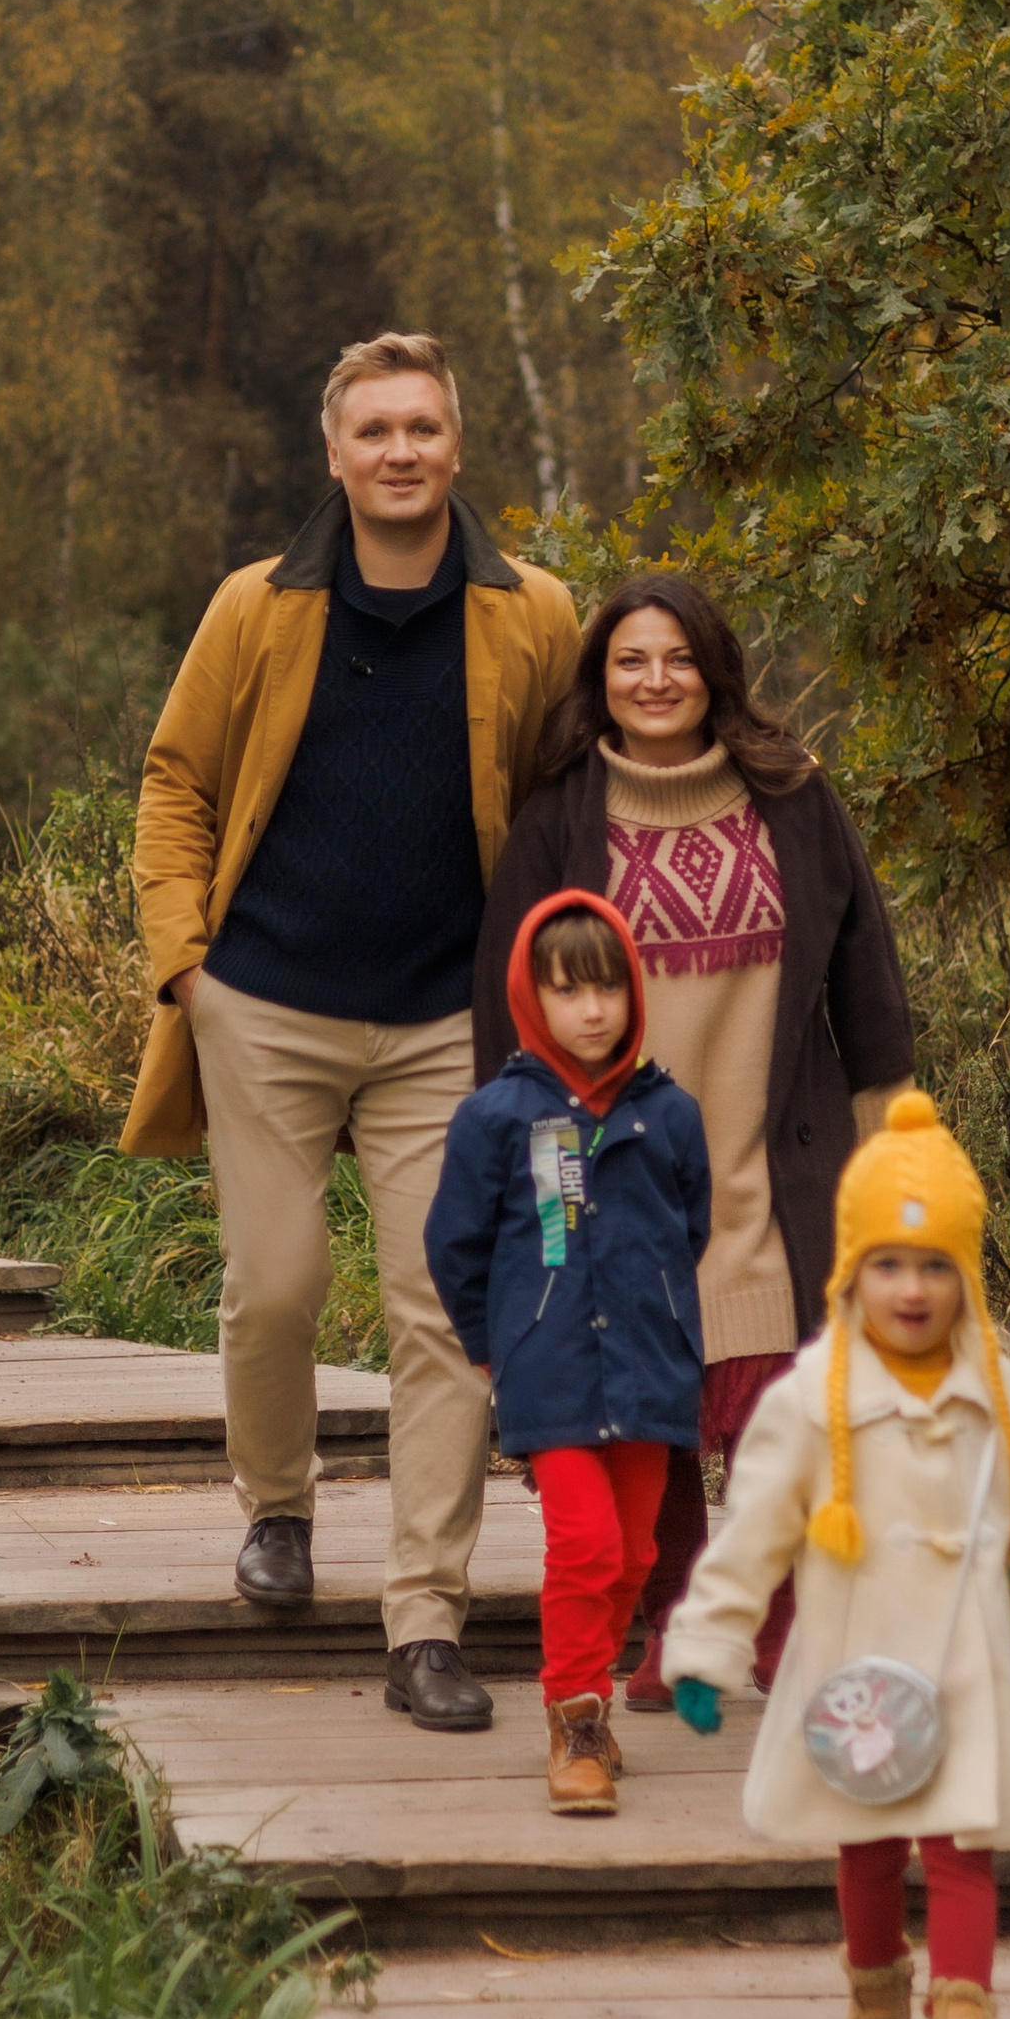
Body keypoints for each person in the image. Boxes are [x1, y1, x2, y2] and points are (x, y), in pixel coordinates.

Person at [120, 333, 580, 1732]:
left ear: (456, 448)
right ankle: (276, 1509)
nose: (400, 452)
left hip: (450, 1024)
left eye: (423, 429)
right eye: (374, 429)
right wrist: (187, 968)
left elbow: (565, 808)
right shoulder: (257, 607)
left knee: (441, 1312)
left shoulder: (534, 613)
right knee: (272, 1287)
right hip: (262, 1008)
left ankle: (426, 1621)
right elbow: (174, 784)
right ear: (333, 453)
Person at [662, 1094, 1010, 2019]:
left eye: (937, 1266)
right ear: (852, 1272)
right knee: (864, 1848)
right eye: (891, 1266)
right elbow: (753, 1534)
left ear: (967, 1277)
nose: (913, 1288)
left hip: (958, 1666)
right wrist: (707, 1647)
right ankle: (873, 2003)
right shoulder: (809, 1400)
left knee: (959, 1845)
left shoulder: (995, 1394)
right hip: (855, 1671)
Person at [475, 573, 915, 1713]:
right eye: (630, 660)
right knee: (645, 1411)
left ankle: (770, 1622)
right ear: (601, 680)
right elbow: (503, 996)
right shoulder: (559, 817)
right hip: (614, 1167)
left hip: (775, 1156)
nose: (655, 680)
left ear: (714, 671)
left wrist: (894, 1137)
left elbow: (866, 970)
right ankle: (670, 1621)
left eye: (676, 659)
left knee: (776, 1405)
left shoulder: (794, 796)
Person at [426, 893, 712, 1813]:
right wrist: (491, 1343)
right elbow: (454, 1245)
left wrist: (659, 1312)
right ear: (530, 996)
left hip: (647, 1368)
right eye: (568, 991)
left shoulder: (669, 1115)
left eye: (609, 989)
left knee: (632, 1551)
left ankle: (592, 1687)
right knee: (584, 1543)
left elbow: (693, 1226)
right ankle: (574, 1720)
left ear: (633, 993)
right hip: (548, 1367)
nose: (592, 1011)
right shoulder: (498, 1119)